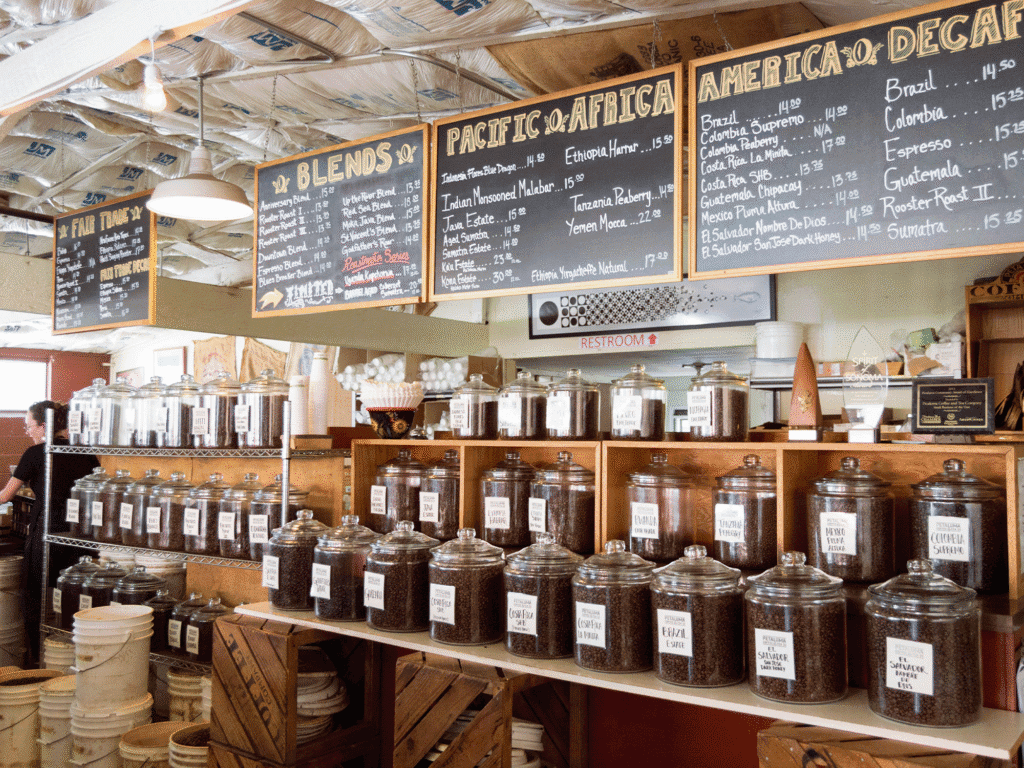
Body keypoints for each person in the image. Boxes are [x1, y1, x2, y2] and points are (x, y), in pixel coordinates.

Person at [0, 400, 99, 665]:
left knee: (36, 598)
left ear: (43, 426)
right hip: (82, 536)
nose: (27, 431)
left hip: (48, 534)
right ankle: (76, 657)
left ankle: (38, 660)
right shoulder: (86, 452)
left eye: (28, 425)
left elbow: (6, 496)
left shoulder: (35, 454)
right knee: (76, 596)